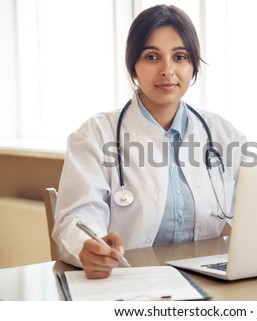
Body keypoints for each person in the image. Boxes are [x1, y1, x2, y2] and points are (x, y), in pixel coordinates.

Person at [52, 5, 245, 279]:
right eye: (152, 57)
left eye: (180, 56)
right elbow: (77, 218)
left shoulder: (224, 134)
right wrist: (89, 246)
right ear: (133, 66)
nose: (168, 70)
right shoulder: (95, 135)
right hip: (127, 281)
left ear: (193, 65)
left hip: (207, 280)